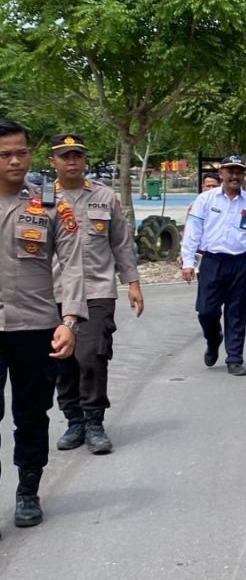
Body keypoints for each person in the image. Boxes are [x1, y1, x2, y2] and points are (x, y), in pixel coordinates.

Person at [0, 119, 86, 532]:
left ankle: (28, 491)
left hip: (36, 328)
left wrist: (69, 320)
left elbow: (71, 265)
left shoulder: (51, 205)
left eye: (21, 152)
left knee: (31, 415)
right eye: (4, 154)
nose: (15, 161)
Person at [48, 134, 143, 455]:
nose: (72, 161)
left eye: (77, 155)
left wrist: (132, 282)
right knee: (62, 359)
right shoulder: (40, 199)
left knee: (92, 355)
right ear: (53, 162)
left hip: (97, 289)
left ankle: (94, 421)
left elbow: (121, 242)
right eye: (65, 156)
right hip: (53, 292)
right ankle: (73, 418)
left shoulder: (104, 197)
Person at [180, 155, 246, 376]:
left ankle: (234, 358)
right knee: (206, 311)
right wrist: (188, 261)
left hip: (240, 262)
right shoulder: (206, 200)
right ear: (221, 174)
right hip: (212, 262)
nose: (235, 176)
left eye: (239, 172)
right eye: (230, 171)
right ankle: (213, 339)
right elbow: (192, 232)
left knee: (236, 312)